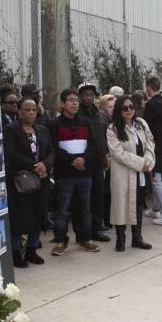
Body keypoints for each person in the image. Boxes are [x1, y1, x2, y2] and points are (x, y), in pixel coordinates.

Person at [48, 88, 101, 256]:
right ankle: (61, 240)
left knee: (84, 209)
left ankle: (85, 238)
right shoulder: (54, 124)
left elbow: (93, 144)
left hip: (84, 174)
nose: (75, 103)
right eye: (70, 100)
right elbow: (53, 148)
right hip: (64, 175)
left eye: (76, 101)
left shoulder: (85, 122)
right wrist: (73, 161)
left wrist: (84, 159)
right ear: (62, 104)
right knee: (62, 210)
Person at [3, 97, 52, 268]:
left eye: (33, 110)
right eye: (27, 110)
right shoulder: (11, 130)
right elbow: (11, 153)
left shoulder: (42, 129)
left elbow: (51, 152)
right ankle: (16, 253)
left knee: (38, 215)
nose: (31, 113)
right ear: (19, 111)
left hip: (41, 180)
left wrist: (44, 164)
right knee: (19, 217)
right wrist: (34, 166)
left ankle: (32, 249)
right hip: (20, 181)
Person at [107, 95, 156, 251]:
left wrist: (148, 160)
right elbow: (118, 153)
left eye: (131, 107)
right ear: (119, 110)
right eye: (125, 108)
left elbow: (150, 141)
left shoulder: (141, 124)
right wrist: (141, 163)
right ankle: (120, 238)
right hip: (123, 172)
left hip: (140, 173)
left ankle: (137, 237)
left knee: (138, 203)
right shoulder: (112, 129)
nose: (129, 110)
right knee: (121, 205)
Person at [78, 82, 113, 242]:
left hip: (98, 162)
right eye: (85, 94)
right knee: (83, 199)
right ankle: (82, 232)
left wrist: (106, 154)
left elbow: (105, 138)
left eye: (91, 94)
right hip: (82, 162)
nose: (88, 97)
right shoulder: (77, 115)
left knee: (98, 197)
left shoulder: (101, 115)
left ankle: (96, 229)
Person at [142, 76, 162, 225]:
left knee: (156, 180)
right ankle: (155, 209)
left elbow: (145, 128)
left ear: (149, 88)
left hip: (153, 147)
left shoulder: (150, 105)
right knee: (157, 177)